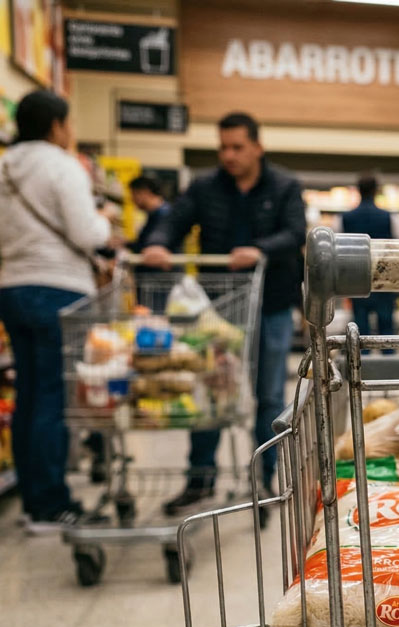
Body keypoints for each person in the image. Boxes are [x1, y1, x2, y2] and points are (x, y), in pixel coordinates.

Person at [142, 112, 305, 517]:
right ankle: (199, 480)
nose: (228, 155)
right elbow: (174, 221)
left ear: (257, 147)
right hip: (217, 309)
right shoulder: (205, 187)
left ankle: (264, 481)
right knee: (210, 393)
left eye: (237, 147)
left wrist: (262, 249)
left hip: (272, 305)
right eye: (223, 147)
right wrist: (159, 244)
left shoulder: (284, 186)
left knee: (268, 396)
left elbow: (296, 232)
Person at [0, 90, 122, 531]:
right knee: (53, 395)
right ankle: (53, 504)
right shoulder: (60, 165)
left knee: (29, 395)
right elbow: (85, 232)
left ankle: (34, 498)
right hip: (57, 289)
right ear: (56, 125)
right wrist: (104, 221)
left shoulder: (6, 166)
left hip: (12, 287)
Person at [332, 174, 399, 348]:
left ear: (358, 191)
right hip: (385, 277)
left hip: (356, 277)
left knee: (359, 326)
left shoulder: (343, 218)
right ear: (376, 191)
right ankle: (387, 363)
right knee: (386, 324)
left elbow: (336, 248)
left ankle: (361, 364)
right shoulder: (390, 217)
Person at [126, 175, 171, 256]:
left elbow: (151, 245)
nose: (132, 199)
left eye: (133, 194)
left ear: (145, 192)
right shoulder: (154, 214)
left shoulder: (164, 215)